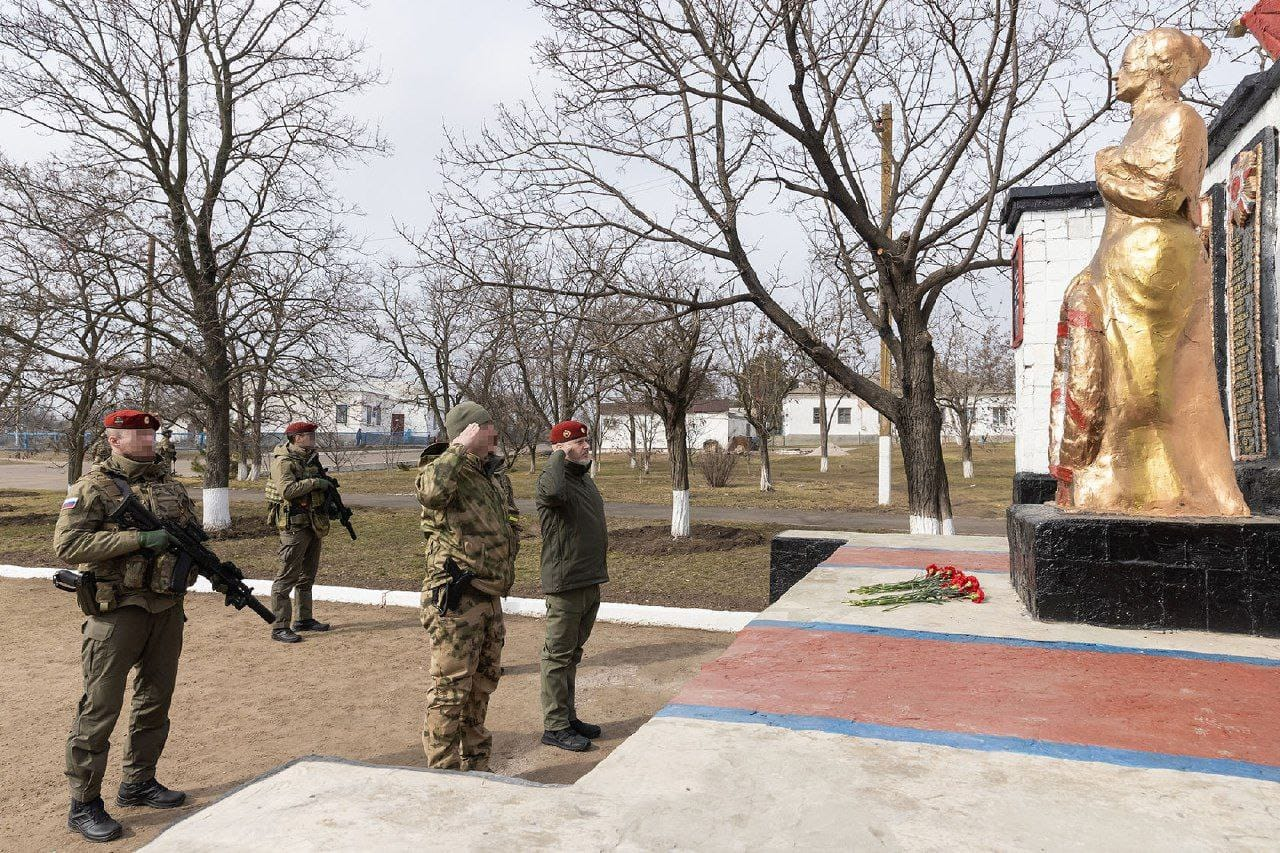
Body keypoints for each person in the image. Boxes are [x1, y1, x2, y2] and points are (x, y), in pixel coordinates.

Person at [54, 409, 197, 843]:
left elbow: (191, 533)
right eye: (136, 433)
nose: (147, 439)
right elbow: (69, 544)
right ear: (114, 439)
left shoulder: (170, 485)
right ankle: (84, 804)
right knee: (99, 709)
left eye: (150, 433)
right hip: (117, 613)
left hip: (166, 609)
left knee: (155, 700)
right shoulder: (93, 486)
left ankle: (138, 782)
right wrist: (139, 538)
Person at [416, 402, 520, 771]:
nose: (494, 432)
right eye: (487, 426)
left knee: (482, 684)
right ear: (469, 430)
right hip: (456, 598)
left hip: (489, 594)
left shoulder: (492, 473)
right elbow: (430, 493)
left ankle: (477, 763)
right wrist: (458, 447)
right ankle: (442, 771)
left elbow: (508, 520)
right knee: (450, 689)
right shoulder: (444, 467)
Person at [536, 420, 608, 752]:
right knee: (557, 657)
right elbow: (551, 492)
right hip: (565, 584)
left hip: (588, 580)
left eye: (586, 440)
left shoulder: (582, 481)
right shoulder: (554, 481)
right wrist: (557, 457)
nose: (587, 446)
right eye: (579, 442)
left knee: (572, 656)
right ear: (563, 448)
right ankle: (554, 726)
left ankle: (569, 717)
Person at [265, 421, 333, 643]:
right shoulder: (283, 462)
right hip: (294, 526)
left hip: (312, 523)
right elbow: (287, 490)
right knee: (286, 577)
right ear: (296, 438)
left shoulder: (310, 458)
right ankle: (279, 626)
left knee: (307, 576)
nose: (312, 438)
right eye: (307, 435)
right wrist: (315, 483)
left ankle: (304, 619)